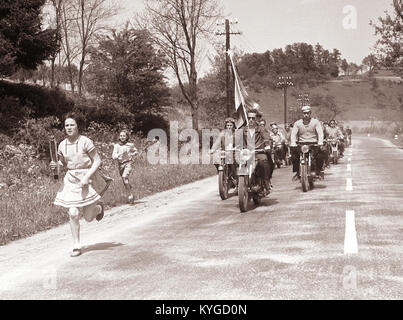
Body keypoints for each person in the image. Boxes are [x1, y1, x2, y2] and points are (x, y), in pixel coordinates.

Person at [50, 113, 110, 257]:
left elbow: (97, 161)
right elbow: (61, 163)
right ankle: (76, 245)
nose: (69, 128)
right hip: (71, 180)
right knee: (73, 212)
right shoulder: (62, 145)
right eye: (67, 125)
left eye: (72, 125)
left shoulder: (85, 141)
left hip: (87, 179)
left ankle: (98, 208)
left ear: (78, 127)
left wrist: (87, 176)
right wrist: (55, 166)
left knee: (89, 218)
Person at [238, 111, 273, 194]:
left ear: (256, 119)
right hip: (247, 153)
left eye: (253, 118)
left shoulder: (261, 129)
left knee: (264, 161)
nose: (251, 120)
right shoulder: (243, 130)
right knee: (238, 162)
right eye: (249, 118)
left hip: (258, 152)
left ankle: (265, 182)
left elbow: (267, 138)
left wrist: (267, 145)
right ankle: (238, 184)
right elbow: (238, 140)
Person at [290, 105, 325, 181]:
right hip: (301, 144)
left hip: (313, 144)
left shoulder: (316, 122)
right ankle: (297, 171)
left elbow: (320, 133)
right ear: (302, 114)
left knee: (320, 156)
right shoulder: (297, 123)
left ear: (310, 113)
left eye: (307, 113)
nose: (306, 115)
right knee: (293, 157)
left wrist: (320, 142)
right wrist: (293, 143)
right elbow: (293, 134)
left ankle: (318, 171)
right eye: (304, 113)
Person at [210, 117, 238, 189]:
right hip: (225, 152)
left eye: (230, 125)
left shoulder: (237, 133)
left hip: (234, 152)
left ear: (233, 126)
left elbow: (240, 144)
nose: (229, 127)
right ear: (225, 126)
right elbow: (217, 142)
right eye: (227, 125)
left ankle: (236, 178)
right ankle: (222, 174)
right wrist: (213, 149)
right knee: (216, 160)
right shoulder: (222, 134)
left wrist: (235, 148)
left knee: (233, 162)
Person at [112, 130, 138, 203]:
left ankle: (130, 196)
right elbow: (113, 155)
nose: (122, 137)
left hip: (128, 163)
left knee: (124, 177)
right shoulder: (116, 146)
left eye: (124, 136)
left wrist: (134, 154)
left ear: (127, 137)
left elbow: (136, 151)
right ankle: (131, 193)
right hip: (120, 165)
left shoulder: (130, 145)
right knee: (125, 181)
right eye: (121, 136)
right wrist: (117, 156)